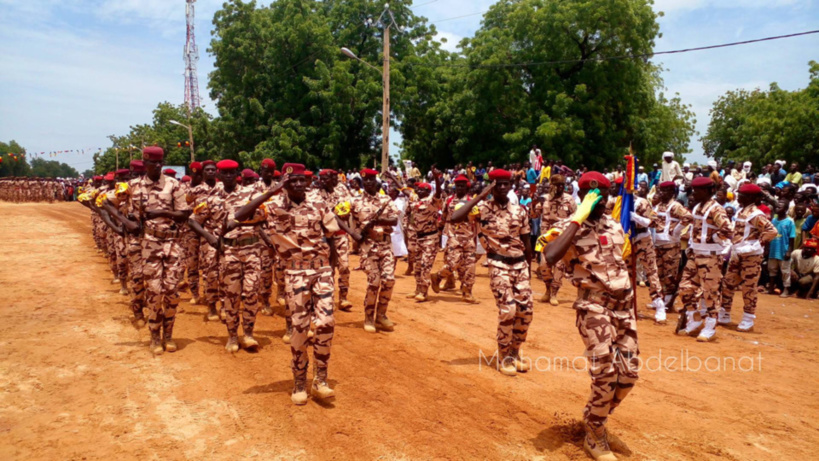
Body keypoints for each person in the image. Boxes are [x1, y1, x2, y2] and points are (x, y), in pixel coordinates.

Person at [542, 171, 638, 461]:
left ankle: (594, 420)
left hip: (624, 308)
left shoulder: (615, 226)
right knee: (606, 371)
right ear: (582, 196)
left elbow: (624, 264)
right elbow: (549, 255)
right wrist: (576, 219)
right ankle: (595, 434)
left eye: (603, 196)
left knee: (629, 376)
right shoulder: (567, 227)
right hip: (593, 308)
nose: (598, 201)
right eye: (591, 196)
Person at [235, 163, 340, 405]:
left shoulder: (318, 203)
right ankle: (299, 382)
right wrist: (271, 193)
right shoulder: (271, 207)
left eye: (302, 180)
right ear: (284, 183)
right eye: (292, 181)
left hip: (321, 269)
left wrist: (331, 267)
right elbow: (240, 216)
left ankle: (321, 380)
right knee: (300, 328)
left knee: (325, 324)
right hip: (295, 272)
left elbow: (332, 236)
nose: (299, 184)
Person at [107, 147, 191, 355]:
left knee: (171, 291)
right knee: (154, 291)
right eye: (153, 162)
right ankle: (154, 335)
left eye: (160, 162)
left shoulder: (173, 185)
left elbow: (184, 214)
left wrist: (161, 212)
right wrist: (126, 221)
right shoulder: (133, 186)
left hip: (173, 244)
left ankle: (168, 335)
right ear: (144, 164)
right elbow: (106, 203)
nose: (158, 166)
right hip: (149, 244)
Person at [451, 169, 533, 377]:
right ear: (492, 186)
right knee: (508, 310)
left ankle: (515, 352)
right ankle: (503, 354)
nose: (503, 188)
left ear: (511, 186)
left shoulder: (520, 211)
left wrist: (529, 269)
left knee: (526, 311)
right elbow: (455, 217)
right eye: (498, 184)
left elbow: (526, 241)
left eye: (506, 184)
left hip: (520, 264)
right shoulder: (481, 209)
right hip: (497, 264)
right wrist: (480, 195)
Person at [189, 159, 268, 352]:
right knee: (231, 295)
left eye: (232, 172)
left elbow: (263, 217)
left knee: (251, 292)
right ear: (219, 175)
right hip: (228, 252)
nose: (229, 176)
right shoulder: (211, 198)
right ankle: (232, 336)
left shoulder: (251, 195)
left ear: (237, 173)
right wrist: (209, 237)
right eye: (224, 173)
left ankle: (248, 333)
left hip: (251, 250)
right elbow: (193, 221)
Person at [677, 177, 732, 342]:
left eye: (698, 190)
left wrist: (714, 237)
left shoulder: (716, 209)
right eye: (693, 190)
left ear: (709, 191)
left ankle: (710, 327)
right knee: (685, 288)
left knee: (710, 293)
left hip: (711, 256)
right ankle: (694, 319)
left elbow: (728, 229)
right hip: (695, 254)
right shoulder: (697, 208)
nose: (694, 193)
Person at [718, 184, 777, 332]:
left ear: (751, 197)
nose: (739, 197)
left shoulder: (755, 214)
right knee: (728, 283)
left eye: (742, 195)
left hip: (751, 256)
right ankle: (724, 313)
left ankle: (748, 318)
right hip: (737, 253)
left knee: (749, 287)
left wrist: (756, 245)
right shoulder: (741, 211)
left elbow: (772, 231)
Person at [348, 169, 401, 333]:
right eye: (366, 180)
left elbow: (394, 220)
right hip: (367, 247)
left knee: (389, 280)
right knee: (374, 282)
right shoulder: (355, 201)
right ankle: (369, 316)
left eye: (371, 179)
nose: (369, 182)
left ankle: (381, 314)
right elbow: (340, 217)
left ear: (377, 181)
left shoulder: (385, 199)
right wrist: (354, 235)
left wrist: (377, 219)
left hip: (385, 245)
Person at [432, 174, 479, 303]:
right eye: (457, 185)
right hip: (453, 236)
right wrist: (439, 233)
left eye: (462, 186)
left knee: (469, 266)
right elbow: (444, 217)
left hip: (468, 236)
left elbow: (477, 220)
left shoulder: (471, 201)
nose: (459, 188)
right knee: (453, 262)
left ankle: (467, 292)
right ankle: (438, 276)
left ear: (466, 187)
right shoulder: (449, 200)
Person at [317, 169, 354, 310]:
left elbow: (348, 207)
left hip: (340, 233)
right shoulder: (316, 193)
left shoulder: (342, 190)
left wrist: (346, 214)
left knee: (344, 266)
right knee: (327, 268)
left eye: (326, 178)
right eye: (321, 178)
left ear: (334, 178)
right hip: (324, 236)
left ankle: (343, 297)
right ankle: (328, 298)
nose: (323, 181)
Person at [536, 175, 576, 305]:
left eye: (562, 185)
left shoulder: (569, 200)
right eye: (557, 185)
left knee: (559, 266)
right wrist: (534, 202)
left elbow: (575, 217)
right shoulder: (544, 199)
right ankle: (547, 289)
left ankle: (554, 293)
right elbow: (534, 214)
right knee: (543, 265)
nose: (560, 188)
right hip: (545, 237)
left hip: (561, 237)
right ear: (552, 186)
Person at [409, 173, 443, 302]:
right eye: (418, 189)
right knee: (418, 265)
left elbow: (438, 193)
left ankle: (424, 291)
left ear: (427, 191)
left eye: (421, 189)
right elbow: (406, 191)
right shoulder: (416, 202)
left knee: (425, 265)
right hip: (419, 238)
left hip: (430, 238)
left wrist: (436, 178)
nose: (417, 190)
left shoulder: (432, 201)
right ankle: (417, 289)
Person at [767, 201, 796, 297]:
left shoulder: (790, 222)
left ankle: (786, 289)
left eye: (780, 207)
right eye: (777, 206)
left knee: (785, 271)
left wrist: (789, 251)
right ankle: (771, 288)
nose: (777, 208)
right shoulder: (774, 221)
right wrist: (767, 248)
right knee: (772, 269)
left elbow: (792, 238)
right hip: (773, 249)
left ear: (785, 209)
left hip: (784, 250)